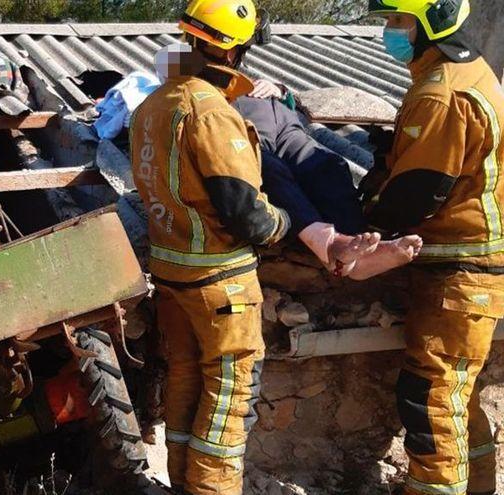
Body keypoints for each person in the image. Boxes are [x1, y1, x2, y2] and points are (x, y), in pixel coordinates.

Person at [130, 1, 289, 493]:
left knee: (184, 381)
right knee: (230, 398)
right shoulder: (210, 112)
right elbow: (246, 213)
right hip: (221, 283)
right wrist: (284, 224)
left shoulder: (153, 106)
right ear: (236, 48)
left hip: (172, 277)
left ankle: (182, 483)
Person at [364, 1, 504, 494]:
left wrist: (365, 222)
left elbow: (417, 193)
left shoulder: (440, 93)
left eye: (397, 21)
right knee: (456, 400)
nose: (389, 31)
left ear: (429, 23)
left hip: (458, 271)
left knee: (430, 401)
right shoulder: (476, 70)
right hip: (474, 267)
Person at [154, 43, 423, 279]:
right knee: (272, 173)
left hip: (284, 124)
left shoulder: (232, 74)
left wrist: (279, 89)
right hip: (250, 137)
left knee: (330, 165)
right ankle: (329, 245)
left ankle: (359, 247)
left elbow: (291, 101)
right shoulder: (181, 98)